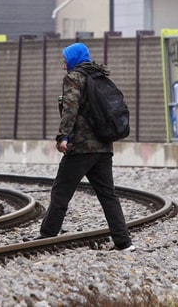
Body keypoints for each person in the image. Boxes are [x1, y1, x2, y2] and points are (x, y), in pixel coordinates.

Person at [36, 42, 135, 251]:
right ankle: (124, 242)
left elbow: (70, 109)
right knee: (108, 196)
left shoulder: (74, 78)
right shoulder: (100, 77)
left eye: (65, 60)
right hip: (104, 147)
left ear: (74, 59)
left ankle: (46, 237)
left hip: (81, 148)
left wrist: (63, 136)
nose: (63, 64)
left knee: (61, 192)